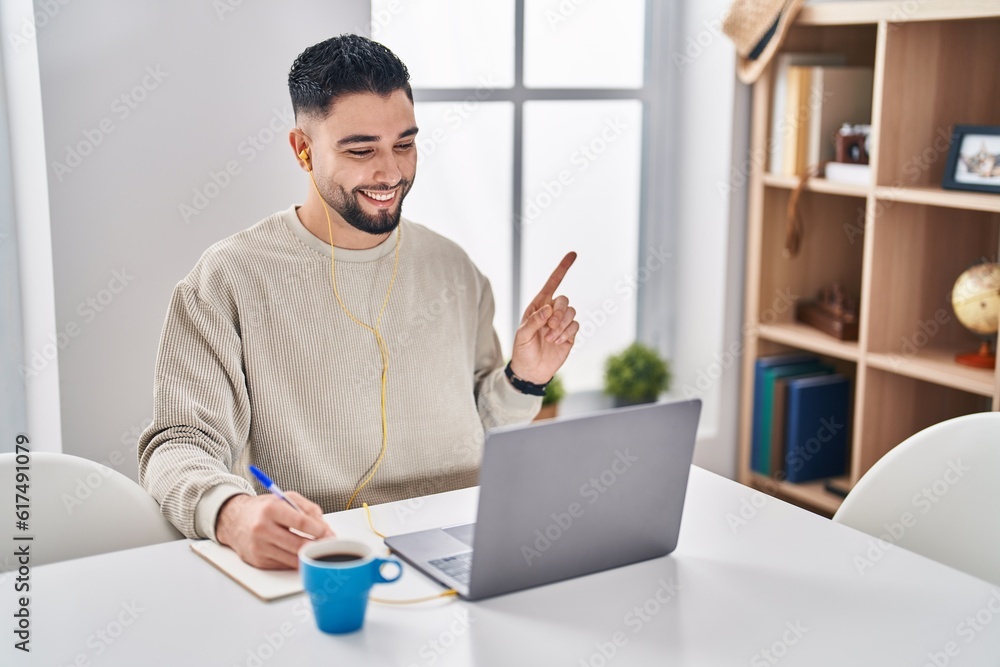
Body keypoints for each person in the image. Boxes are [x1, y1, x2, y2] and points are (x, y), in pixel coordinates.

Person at [138, 34, 578, 570]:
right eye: (361, 150)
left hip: (471, 551)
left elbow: (486, 423)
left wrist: (524, 377)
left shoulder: (454, 268)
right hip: (328, 557)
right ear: (303, 150)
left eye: (404, 144)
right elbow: (178, 445)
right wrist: (232, 513)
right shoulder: (227, 280)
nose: (390, 172)